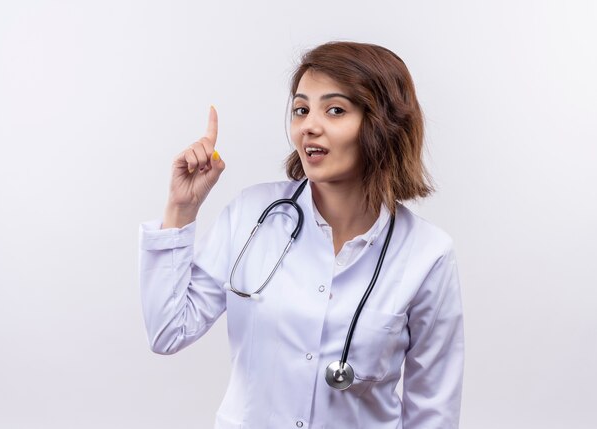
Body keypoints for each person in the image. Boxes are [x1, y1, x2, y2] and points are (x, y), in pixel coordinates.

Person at [139, 41, 464, 428]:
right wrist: (181, 208)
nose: (309, 125)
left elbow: (433, 411)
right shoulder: (251, 215)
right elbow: (168, 332)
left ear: (383, 124)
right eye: (301, 109)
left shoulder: (428, 254)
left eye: (335, 110)